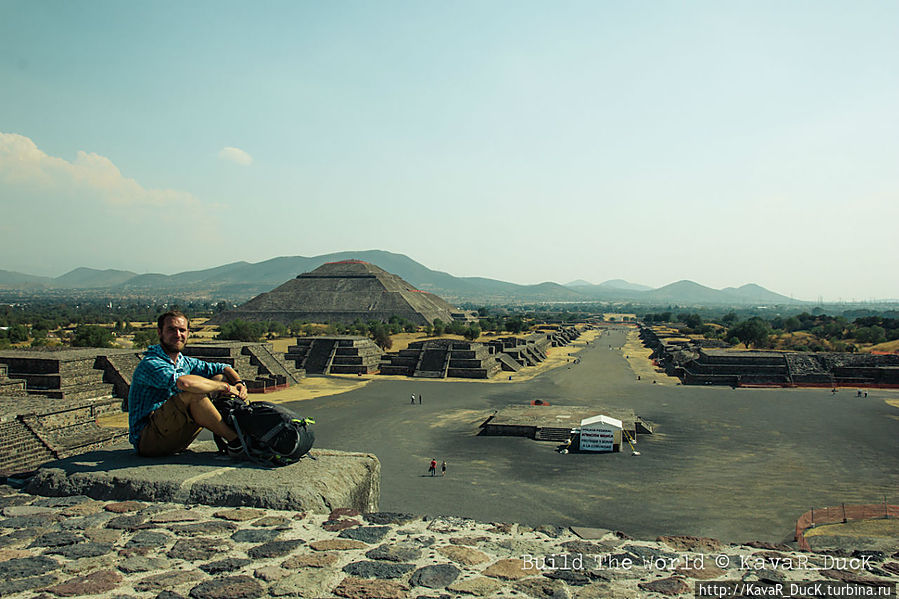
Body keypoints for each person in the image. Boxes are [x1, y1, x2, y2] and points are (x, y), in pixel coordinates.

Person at [128, 310, 248, 457]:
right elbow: (183, 383)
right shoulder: (151, 363)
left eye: (182, 330)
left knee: (219, 377)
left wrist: (239, 383)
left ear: (188, 333)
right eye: (171, 329)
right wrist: (226, 387)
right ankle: (237, 442)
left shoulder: (184, 362)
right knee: (194, 394)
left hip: (174, 436)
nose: (178, 335)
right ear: (160, 332)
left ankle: (239, 427)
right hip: (149, 440)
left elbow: (222, 367)